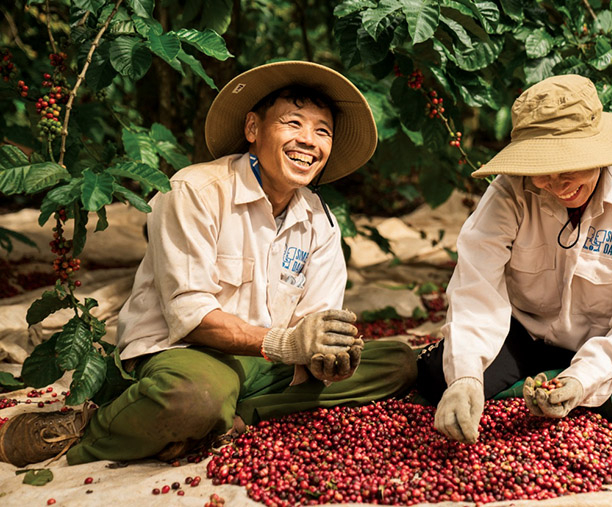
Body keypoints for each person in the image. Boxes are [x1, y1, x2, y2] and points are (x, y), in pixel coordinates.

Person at [0, 61, 416, 466]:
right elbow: (191, 316)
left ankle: (225, 420)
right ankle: (91, 428)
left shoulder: (318, 219)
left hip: (269, 365)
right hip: (188, 352)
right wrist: (288, 345)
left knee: (398, 362)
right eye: (293, 123)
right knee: (194, 397)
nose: (309, 140)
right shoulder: (194, 190)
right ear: (252, 128)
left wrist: (329, 356)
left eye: (322, 131)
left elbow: (314, 323)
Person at [416, 74, 612, 444]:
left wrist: (580, 378)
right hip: (522, 334)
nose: (558, 187)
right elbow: (476, 287)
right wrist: (465, 380)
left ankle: (570, 385)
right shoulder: (509, 192)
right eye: (543, 173)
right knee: (435, 374)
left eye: (569, 170)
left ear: (599, 152)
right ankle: (532, 386)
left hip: (600, 342)